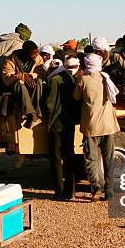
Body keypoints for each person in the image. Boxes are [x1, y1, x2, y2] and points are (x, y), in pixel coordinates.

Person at [73, 38, 120, 201]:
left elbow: (76, 97)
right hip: (108, 126)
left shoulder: (83, 80)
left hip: (91, 126)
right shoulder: (105, 78)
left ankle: (96, 188)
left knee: (92, 160)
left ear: (86, 64)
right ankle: (109, 190)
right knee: (108, 160)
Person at [45, 57, 81, 200]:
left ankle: (59, 192)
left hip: (56, 123)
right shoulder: (76, 80)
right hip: (70, 123)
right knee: (69, 156)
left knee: (55, 158)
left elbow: (49, 104)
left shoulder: (55, 80)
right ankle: (71, 191)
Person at [2, 40, 46, 129]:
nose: (35, 56)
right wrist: (22, 76)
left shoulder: (38, 58)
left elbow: (42, 73)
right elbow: (7, 80)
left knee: (39, 82)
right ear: (25, 53)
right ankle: (30, 113)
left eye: (36, 53)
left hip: (32, 85)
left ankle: (36, 113)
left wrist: (30, 75)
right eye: (32, 54)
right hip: (16, 88)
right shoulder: (11, 60)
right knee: (20, 85)